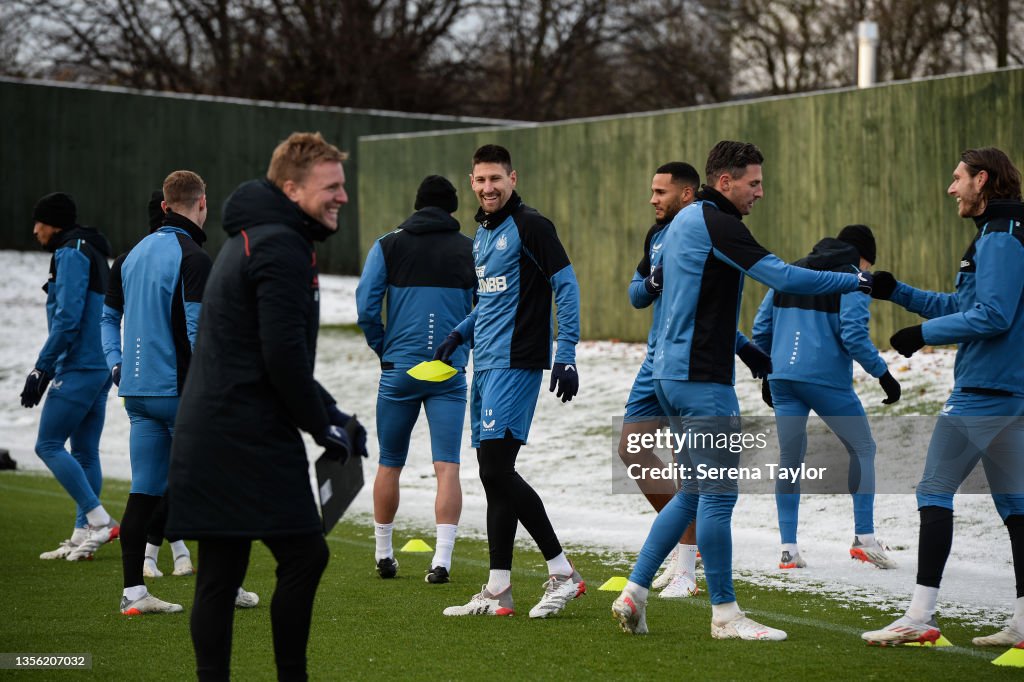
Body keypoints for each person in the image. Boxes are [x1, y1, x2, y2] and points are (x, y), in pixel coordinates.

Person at [612, 140, 872, 641]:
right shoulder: (718, 222)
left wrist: (748, 348)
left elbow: (672, 302)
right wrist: (851, 280)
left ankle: (635, 592)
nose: (761, 191)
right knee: (718, 496)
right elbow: (780, 275)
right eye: (753, 182)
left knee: (691, 493)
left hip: (668, 376)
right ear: (724, 182)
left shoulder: (682, 223)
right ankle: (726, 614)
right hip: (702, 381)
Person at [166, 132, 364, 680]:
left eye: (342, 185)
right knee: (303, 556)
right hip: (242, 437)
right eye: (331, 187)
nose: (342, 196)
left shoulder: (262, 235)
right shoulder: (279, 244)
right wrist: (327, 427)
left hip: (217, 431)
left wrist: (334, 416)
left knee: (221, 574)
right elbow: (281, 357)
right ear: (292, 188)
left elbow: (275, 356)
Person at [862, 148, 1024, 647]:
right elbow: (965, 304)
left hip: (984, 393)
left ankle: (920, 615)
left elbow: (993, 316)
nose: (951, 189)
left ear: (982, 180)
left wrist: (924, 334)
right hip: (1007, 392)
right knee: (1016, 508)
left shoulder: (1001, 237)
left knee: (933, 492)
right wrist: (899, 293)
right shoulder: (1000, 234)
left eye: (957, 179)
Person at [435, 144, 585, 619]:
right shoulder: (482, 234)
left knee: (498, 470)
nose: (487, 188)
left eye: (495, 179)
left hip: (517, 362)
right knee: (490, 475)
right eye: (479, 181)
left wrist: (566, 353)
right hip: (485, 363)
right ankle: (499, 587)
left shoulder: (532, 226)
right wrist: (461, 333)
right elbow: (491, 300)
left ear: (513, 178)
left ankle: (563, 572)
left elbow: (566, 285)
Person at [751, 224, 900, 570]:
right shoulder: (854, 278)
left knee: (790, 458)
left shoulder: (790, 269)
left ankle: (788, 550)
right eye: (869, 266)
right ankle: (864, 538)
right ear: (863, 258)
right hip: (826, 381)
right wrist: (884, 374)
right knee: (863, 448)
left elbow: (761, 327)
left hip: (783, 379)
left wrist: (766, 372)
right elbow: (853, 335)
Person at [101, 171, 211, 615]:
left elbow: (107, 317)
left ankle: (134, 593)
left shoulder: (128, 257)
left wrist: (116, 362)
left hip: (138, 394)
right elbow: (198, 332)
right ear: (201, 203)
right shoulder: (193, 256)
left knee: (144, 491)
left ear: (165, 206)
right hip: (180, 393)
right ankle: (224, 585)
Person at [356, 175, 475, 584]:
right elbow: (486, 310)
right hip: (448, 370)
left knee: (390, 464)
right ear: (453, 209)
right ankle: (441, 561)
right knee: (448, 467)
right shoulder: (471, 248)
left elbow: (367, 307)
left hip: (398, 370)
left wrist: (382, 347)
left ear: (417, 204)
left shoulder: (387, 244)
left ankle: (384, 555)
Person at [619, 162, 704, 599]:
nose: (653, 199)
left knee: (688, 464)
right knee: (631, 447)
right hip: (653, 361)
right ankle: (686, 543)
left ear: (687, 194)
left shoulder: (702, 230)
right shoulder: (655, 235)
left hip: (688, 363)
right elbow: (635, 294)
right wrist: (653, 279)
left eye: (661, 192)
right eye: (651, 191)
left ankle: (686, 568)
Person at [23, 191, 119, 562]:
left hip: (78, 364)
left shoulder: (70, 251)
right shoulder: (93, 248)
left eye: (39, 222)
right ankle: (83, 534)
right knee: (83, 451)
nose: (34, 230)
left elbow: (67, 317)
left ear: (54, 223)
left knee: (46, 445)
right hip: (100, 365)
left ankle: (100, 520)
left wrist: (42, 367)